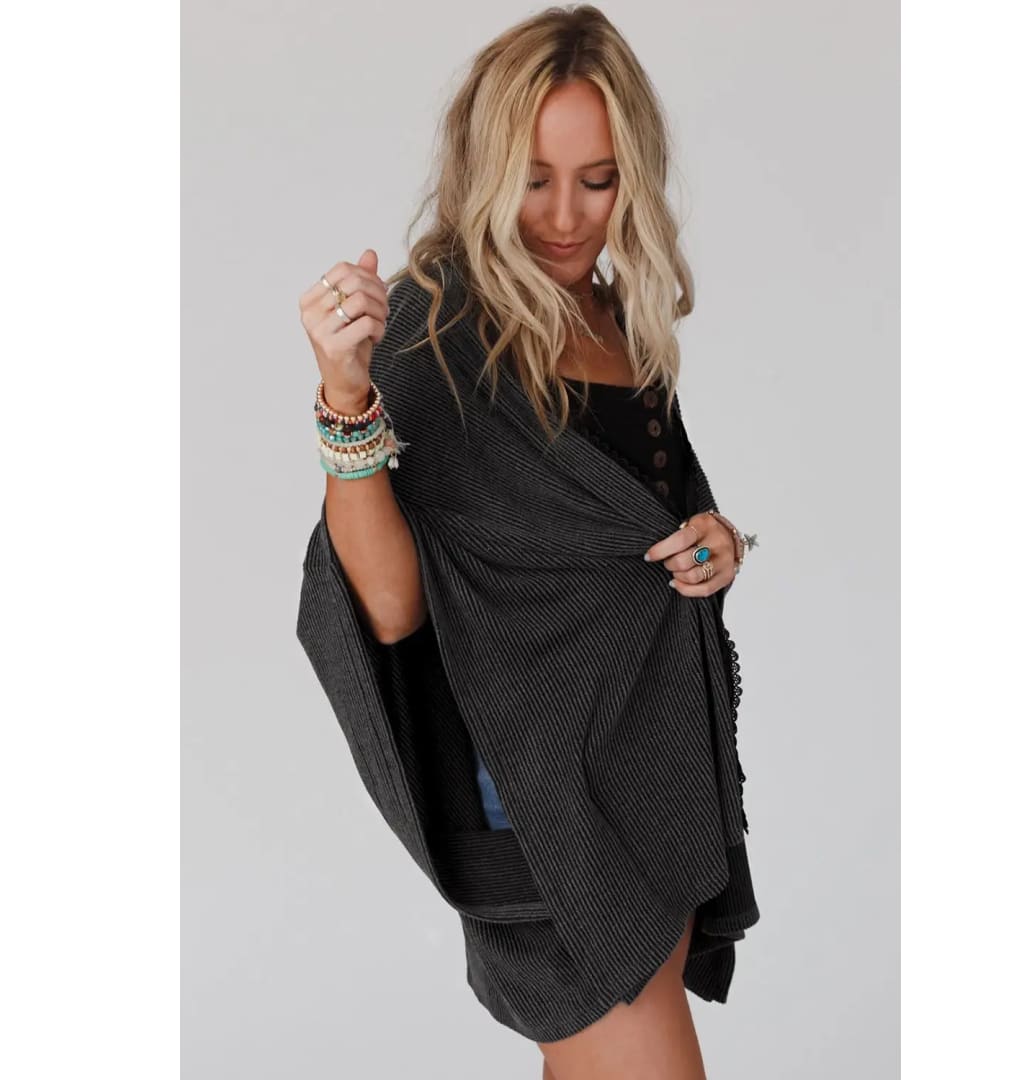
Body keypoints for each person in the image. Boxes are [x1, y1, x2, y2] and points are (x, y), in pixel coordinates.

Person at [296, 6, 759, 1078]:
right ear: (482, 167)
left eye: (597, 180)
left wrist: (716, 540)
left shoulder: (619, 320)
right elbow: (392, 608)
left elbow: (635, 524)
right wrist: (346, 395)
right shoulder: (432, 332)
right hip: (539, 793)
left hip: (651, 766)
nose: (562, 215)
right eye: (533, 178)